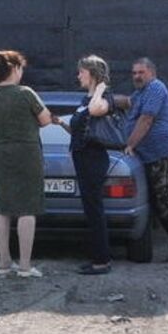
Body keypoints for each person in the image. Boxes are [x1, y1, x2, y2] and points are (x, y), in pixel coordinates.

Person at [0, 49, 52, 278]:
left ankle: (4, 263)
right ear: (14, 68)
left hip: (0, 152)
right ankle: (24, 265)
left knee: (2, 206)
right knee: (27, 208)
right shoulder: (26, 93)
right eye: (21, 68)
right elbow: (45, 120)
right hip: (26, 152)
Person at [122, 57, 168, 260]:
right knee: (162, 206)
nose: (137, 76)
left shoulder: (156, 88)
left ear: (152, 73)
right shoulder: (139, 94)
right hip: (151, 158)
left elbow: (146, 120)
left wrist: (130, 145)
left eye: (141, 72)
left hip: (166, 157)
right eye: (134, 73)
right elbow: (127, 102)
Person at [68, 55, 118, 274]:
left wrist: (100, 87)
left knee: (95, 208)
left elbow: (97, 109)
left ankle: (102, 260)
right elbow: (81, 130)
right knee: (90, 208)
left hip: (93, 159)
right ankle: (98, 256)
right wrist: (61, 123)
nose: (78, 75)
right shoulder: (84, 99)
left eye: (82, 71)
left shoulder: (104, 97)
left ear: (93, 74)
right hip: (82, 156)